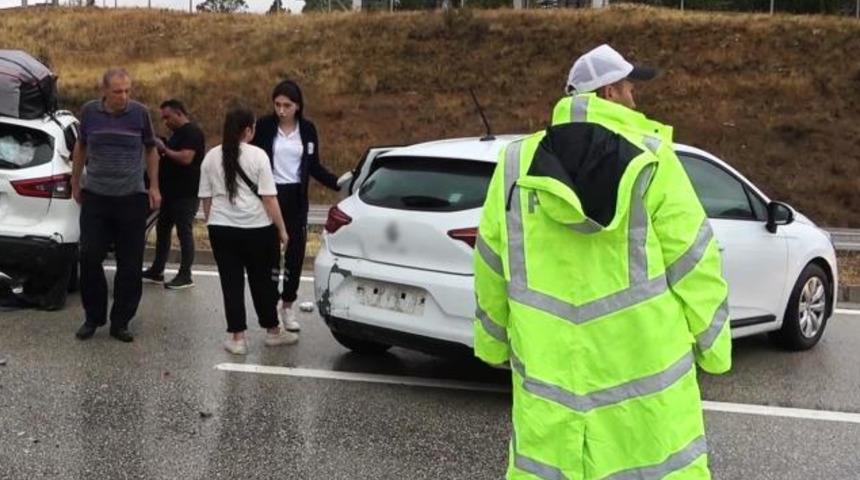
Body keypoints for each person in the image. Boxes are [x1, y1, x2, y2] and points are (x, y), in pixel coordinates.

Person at [473, 44, 732, 479]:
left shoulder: (516, 163)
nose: (635, 98)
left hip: (549, 384)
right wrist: (714, 347)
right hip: (646, 401)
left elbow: (491, 263)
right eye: (630, 89)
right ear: (609, 93)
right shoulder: (654, 159)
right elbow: (694, 261)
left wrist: (493, 343)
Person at [72, 68, 161, 343]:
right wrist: (76, 182)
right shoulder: (89, 113)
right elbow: (81, 147)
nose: (124, 96)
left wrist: (154, 185)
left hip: (130, 197)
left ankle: (121, 321)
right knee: (89, 257)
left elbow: (150, 149)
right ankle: (93, 317)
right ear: (105, 91)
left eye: (127, 91)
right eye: (117, 91)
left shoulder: (139, 113)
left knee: (130, 264)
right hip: (96, 195)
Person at [199, 106, 296, 355]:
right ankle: (273, 331)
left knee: (230, 283)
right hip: (257, 229)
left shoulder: (211, 157)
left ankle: (237, 338)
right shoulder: (258, 156)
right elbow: (269, 199)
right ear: (247, 130)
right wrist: (282, 230)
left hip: (221, 229)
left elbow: (206, 199)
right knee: (262, 281)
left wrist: (213, 222)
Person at [251, 79, 340, 333]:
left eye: (287, 105)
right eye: (277, 104)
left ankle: (287, 305)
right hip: (270, 194)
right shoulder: (265, 127)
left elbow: (314, 166)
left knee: (295, 253)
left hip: (296, 198)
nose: (281, 110)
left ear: (297, 106)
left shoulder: (308, 129)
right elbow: (251, 160)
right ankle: (269, 309)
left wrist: (338, 183)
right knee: (269, 253)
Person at [142, 99, 206, 289]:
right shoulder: (177, 135)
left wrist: (165, 150)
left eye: (168, 117)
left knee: (184, 232)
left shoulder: (192, 132)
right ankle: (157, 269)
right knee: (162, 231)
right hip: (170, 193)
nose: (166, 122)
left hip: (186, 193)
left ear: (179, 113)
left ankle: (185, 274)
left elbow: (186, 158)